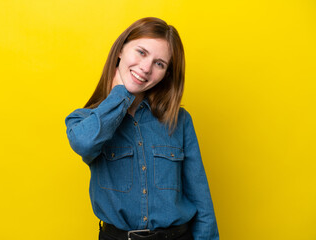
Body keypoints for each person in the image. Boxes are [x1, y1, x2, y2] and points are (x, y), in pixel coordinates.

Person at [65, 17, 219, 240]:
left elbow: (201, 199)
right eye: (141, 52)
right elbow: (83, 143)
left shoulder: (180, 121)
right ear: (120, 51)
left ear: (166, 74)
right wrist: (120, 95)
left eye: (159, 63)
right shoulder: (84, 120)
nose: (146, 68)